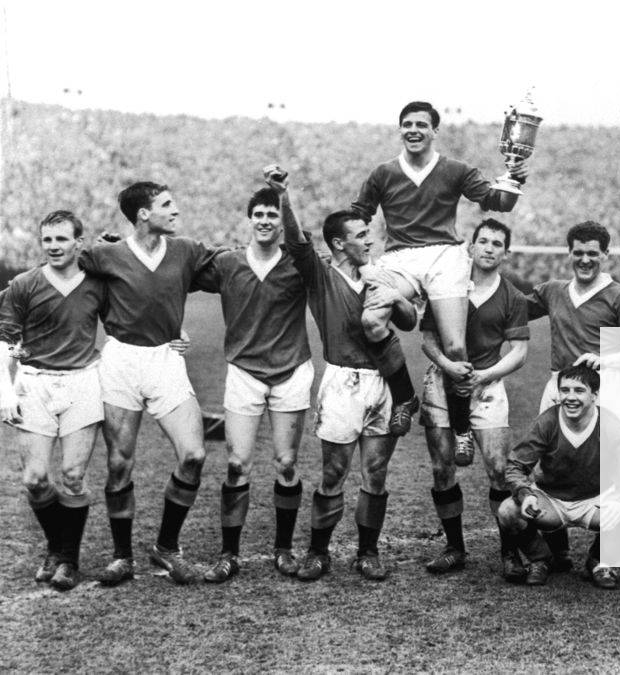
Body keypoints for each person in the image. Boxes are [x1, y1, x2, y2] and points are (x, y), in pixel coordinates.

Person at [352, 101, 529, 459]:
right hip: (401, 258)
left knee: (455, 349)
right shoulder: (383, 173)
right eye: (407, 124)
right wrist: (358, 250)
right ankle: (404, 396)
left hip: (445, 256)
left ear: (435, 130)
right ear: (400, 129)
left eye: (421, 124)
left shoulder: (455, 169)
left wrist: (515, 176)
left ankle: (462, 427)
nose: (413, 129)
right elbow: (359, 213)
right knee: (372, 320)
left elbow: (497, 202)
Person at [274, 172, 417, 582]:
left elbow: (409, 321)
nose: (369, 240)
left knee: (376, 472)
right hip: (342, 382)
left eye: (369, 232)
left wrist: (397, 297)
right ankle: (319, 552)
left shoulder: (380, 275)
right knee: (333, 473)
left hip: (384, 384)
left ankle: (367, 552)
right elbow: (296, 239)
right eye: (360, 234)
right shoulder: (320, 274)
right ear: (339, 243)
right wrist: (283, 194)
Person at [78, 182, 221, 586]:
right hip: (121, 360)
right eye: (166, 205)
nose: (175, 210)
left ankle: (166, 546)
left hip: (165, 360)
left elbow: (233, 272)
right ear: (143, 213)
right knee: (119, 462)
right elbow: (67, 279)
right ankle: (122, 556)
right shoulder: (104, 255)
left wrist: (181, 328)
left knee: (193, 454)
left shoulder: (187, 250)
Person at [191, 186, 313, 582]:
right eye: (258, 214)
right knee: (236, 463)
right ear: (249, 219)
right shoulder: (227, 263)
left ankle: (283, 548)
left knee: (286, 462)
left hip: (291, 370)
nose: (264, 220)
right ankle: (229, 553)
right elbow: (170, 277)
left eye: (272, 215)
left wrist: (287, 198)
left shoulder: (298, 262)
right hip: (244, 371)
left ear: (282, 222)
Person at [525, 220, 620, 571]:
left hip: (602, 392)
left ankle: (600, 556)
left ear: (605, 254)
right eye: (579, 253)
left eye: (593, 253)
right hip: (557, 387)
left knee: (612, 471)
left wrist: (606, 359)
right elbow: (510, 308)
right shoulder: (553, 290)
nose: (585, 260)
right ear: (569, 253)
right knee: (552, 461)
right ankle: (556, 547)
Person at [0, 211, 105, 590]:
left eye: (62, 239)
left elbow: (130, 321)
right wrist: (5, 391)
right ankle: (56, 547)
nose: (54, 247)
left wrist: (176, 336)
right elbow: (5, 340)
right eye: (48, 240)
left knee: (73, 477)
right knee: (35, 480)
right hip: (35, 382)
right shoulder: (25, 284)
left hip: (82, 382)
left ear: (79, 242)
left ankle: (68, 561)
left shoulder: (97, 283)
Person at [418, 218, 529, 578]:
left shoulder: (512, 295)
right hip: (442, 380)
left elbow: (520, 351)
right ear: (471, 245)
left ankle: (509, 552)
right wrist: (448, 365)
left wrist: (486, 374)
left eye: (497, 244)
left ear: (506, 253)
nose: (488, 248)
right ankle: (454, 548)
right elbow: (428, 340)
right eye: (483, 241)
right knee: (442, 468)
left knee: (498, 470)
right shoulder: (448, 288)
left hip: (487, 386)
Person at [497, 365, 620, 589]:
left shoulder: (610, 424)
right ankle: (541, 559)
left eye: (579, 390)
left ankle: (599, 561)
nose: (570, 397)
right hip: (552, 501)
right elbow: (516, 465)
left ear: (594, 395)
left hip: (596, 502)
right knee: (507, 511)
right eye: (565, 390)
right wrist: (525, 495)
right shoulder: (548, 422)